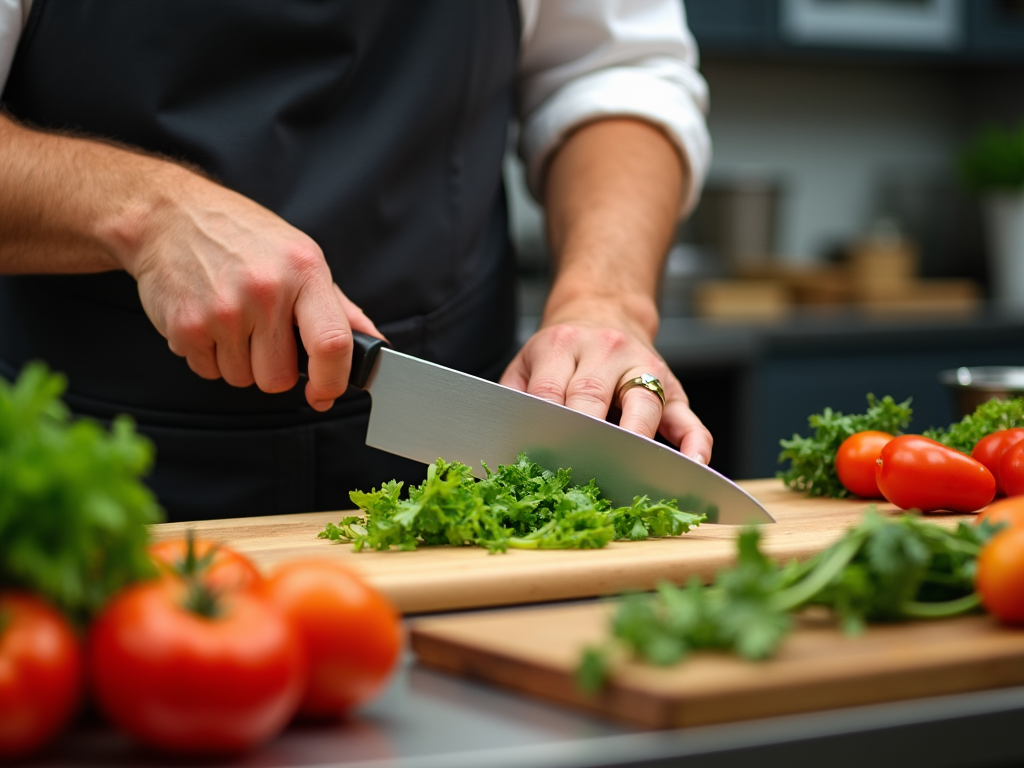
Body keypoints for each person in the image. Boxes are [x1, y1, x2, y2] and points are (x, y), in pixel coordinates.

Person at [0, 0, 713, 522]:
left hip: (451, 470)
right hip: (89, 485)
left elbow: (614, 75)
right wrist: (147, 212)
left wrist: (606, 297)